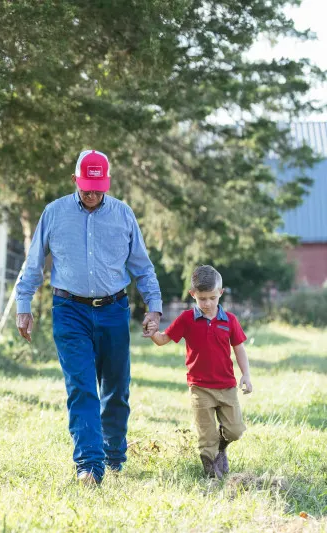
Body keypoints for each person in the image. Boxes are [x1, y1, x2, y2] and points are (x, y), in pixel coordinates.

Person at [15, 149, 162, 486]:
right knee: (82, 388)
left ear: (107, 184)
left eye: (99, 189)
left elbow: (142, 266)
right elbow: (33, 262)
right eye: (87, 189)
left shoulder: (123, 215)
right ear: (74, 181)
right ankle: (88, 467)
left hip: (114, 310)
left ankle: (113, 457)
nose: (93, 195)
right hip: (69, 311)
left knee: (116, 390)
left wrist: (154, 306)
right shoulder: (54, 213)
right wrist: (24, 305)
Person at [148, 265, 252, 479]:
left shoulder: (229, 320)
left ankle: (221, 446)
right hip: (200, 388)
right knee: (206, 436)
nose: (207, 304)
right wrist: (152, 332)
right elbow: (162, 340)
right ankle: (212, 476)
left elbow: (239, 348)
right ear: (192, 294)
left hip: (227, 386)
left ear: (220, 293)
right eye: (202, 298)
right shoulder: (186, 319)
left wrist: (246, 375)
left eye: (212, 298)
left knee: (236, 430)